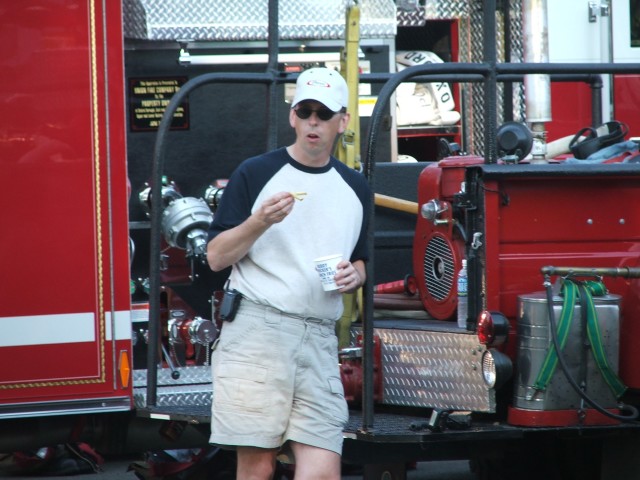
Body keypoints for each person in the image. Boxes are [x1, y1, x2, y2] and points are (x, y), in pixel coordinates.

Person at [206, 67, 370, 480]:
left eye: (325, 113)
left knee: (322, 468)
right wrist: (259, 221)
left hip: (319, 336)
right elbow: (216, 256)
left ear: (343, 121)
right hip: (259, 330)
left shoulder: (355, 187)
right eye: (306, 110)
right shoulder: (255, 172)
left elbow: (361, 258)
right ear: (293, 116)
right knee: (257, 465)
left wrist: (357, 276)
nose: (314, 121)